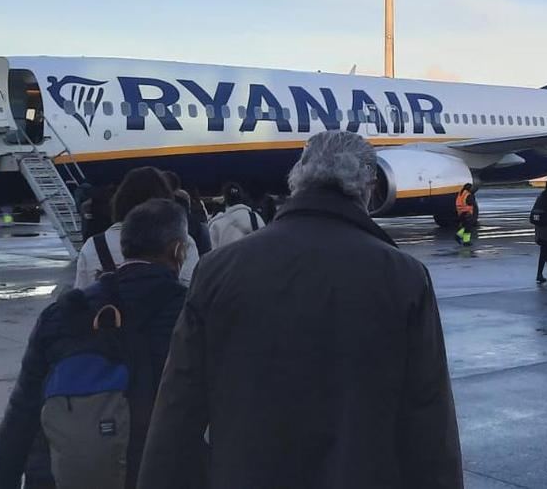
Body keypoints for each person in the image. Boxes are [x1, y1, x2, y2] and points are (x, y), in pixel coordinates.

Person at [139, 131, 463, 488]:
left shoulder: (217, 269)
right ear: (368, 187)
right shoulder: (404, 276)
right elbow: (429, 422)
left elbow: (177, 411)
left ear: (297, 180)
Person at [0, 199, 191, 489]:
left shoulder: (63, 312)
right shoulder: (190, 313)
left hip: (58, 475)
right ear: (179, 250)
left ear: (125, 246)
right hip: (155, 471)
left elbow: (21, 415)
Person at [75, 168, 201, 289]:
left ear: (120, 201)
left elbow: (81, 299)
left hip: (110, 309)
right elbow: (192, 291)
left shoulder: (93, 245)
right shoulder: (182, 242)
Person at [206, 184, 262, 251]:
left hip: (227, 261)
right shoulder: (256, 218)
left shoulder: (216, 224)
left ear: (224, 200)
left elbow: (212, 255)